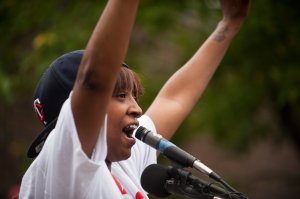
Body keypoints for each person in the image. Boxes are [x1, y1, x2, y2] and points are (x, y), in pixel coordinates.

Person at [19, 0, 250, 198]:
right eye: (120, 96)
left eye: (134, 96)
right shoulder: (62, 162)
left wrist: (230, 24)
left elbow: (174, 100)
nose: (138, 109)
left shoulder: (119, 163)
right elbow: (95, 80)